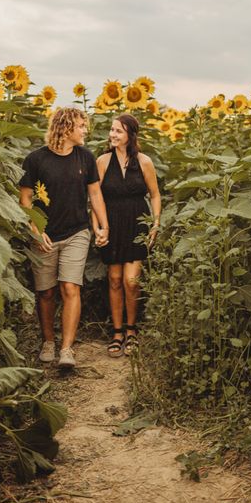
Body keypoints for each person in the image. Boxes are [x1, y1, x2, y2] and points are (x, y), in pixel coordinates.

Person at [19, 107, 109, 369]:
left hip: (76, 232)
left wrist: (103, 226)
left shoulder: (86, 158)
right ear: (66, 127)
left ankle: (67, 349)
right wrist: (35, 232)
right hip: (45, 234)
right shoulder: (36, 160)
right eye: (81, 126)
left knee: (70, 287)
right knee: (46, 292)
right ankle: (48, 341)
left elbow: (95, 196)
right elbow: (25, 200)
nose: (85, 131)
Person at [92, 114, 161, 357]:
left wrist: (155, 223)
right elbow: (94, 196)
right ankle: (117, 332)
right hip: (111, 224)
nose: (112, 135)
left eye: (118, 131)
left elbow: (154, 194)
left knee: (131, 281)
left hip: (136, 224)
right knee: (114, 279)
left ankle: (132, 330)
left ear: (130, 135)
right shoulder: (102, 161)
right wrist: (98, 227)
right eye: (111, 130)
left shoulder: (144, 162)